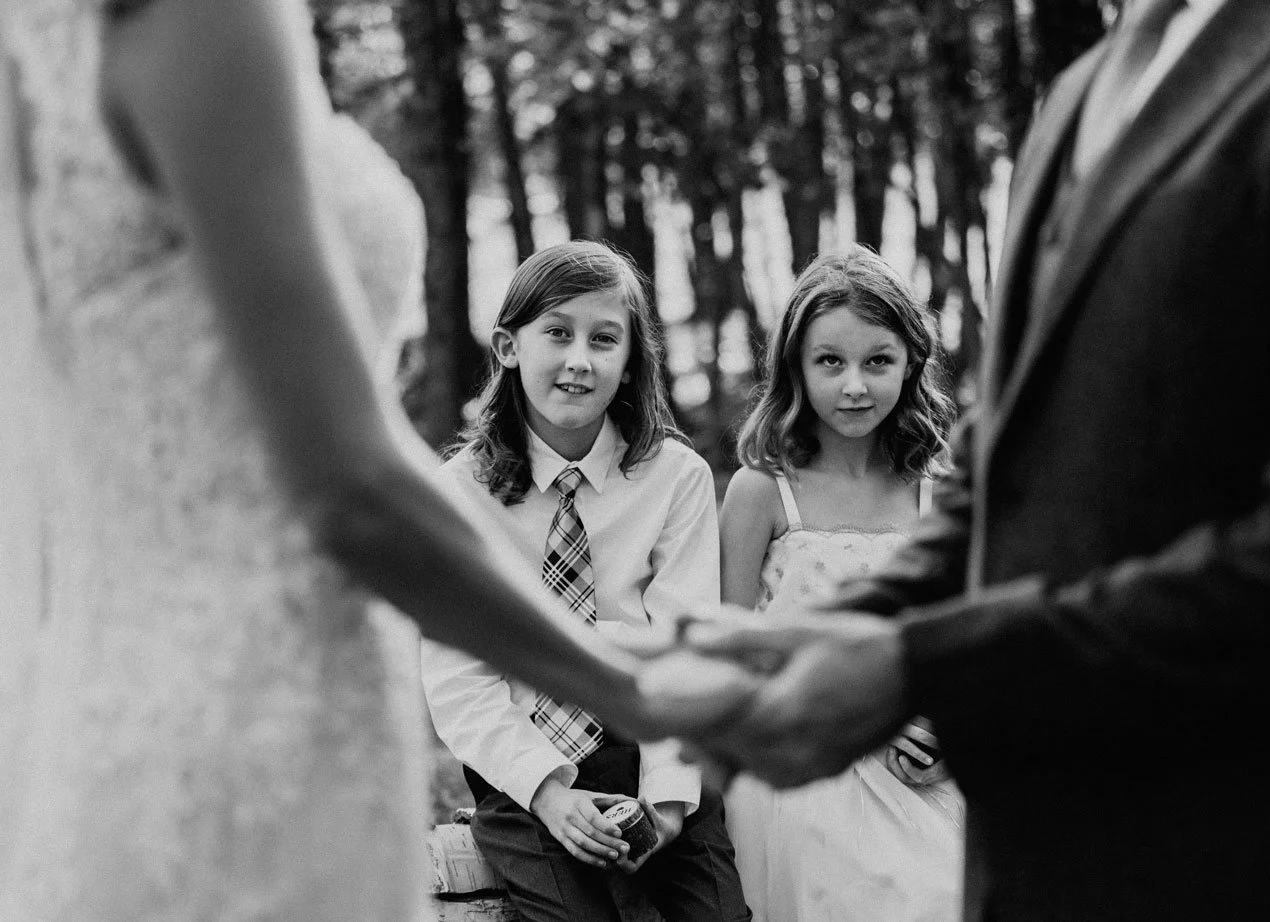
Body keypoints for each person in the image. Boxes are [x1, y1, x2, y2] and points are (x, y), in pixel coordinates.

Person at [0, 3, 750, 920]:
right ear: (509, 346)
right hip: (248, 703)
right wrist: (639, 692)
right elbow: (351, 488)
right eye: (555, 332)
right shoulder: (198, 15)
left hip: (123, 677)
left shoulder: (45, 37)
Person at [652, 0, 1270, 919]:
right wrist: (829, 635)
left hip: (1241, 834)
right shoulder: (1077, 93)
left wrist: (928, 674)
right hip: (1037, 844)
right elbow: (1012, 473)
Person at [421, 241, 751, 922]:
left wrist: (665, 805)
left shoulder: (675, 479)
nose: (580, 360)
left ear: (630, 361)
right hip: (525, 771)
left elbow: (684, 654)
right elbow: (459, 681)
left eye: (604, 339)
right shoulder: (458, 494)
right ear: (509, 347)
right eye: (558, 333)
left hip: (651, 746)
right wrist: (549, 793)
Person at [716, 247, 961, 922]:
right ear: (795, 366)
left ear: (911, 362)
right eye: (830, 362)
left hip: (920, 759)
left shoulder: (941, 495)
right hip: (803, 760)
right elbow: (733, 655)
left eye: (878, 361)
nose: (855, 386)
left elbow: (961, 642)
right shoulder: (762, 491)